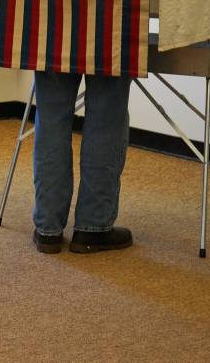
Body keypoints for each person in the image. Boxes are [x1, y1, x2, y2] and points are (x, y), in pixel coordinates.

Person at [31, 71, 134, 254]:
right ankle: (93, 227)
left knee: (51, 115)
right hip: (108, 42)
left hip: (51, 41)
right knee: (106, 114)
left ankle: (48, 229)